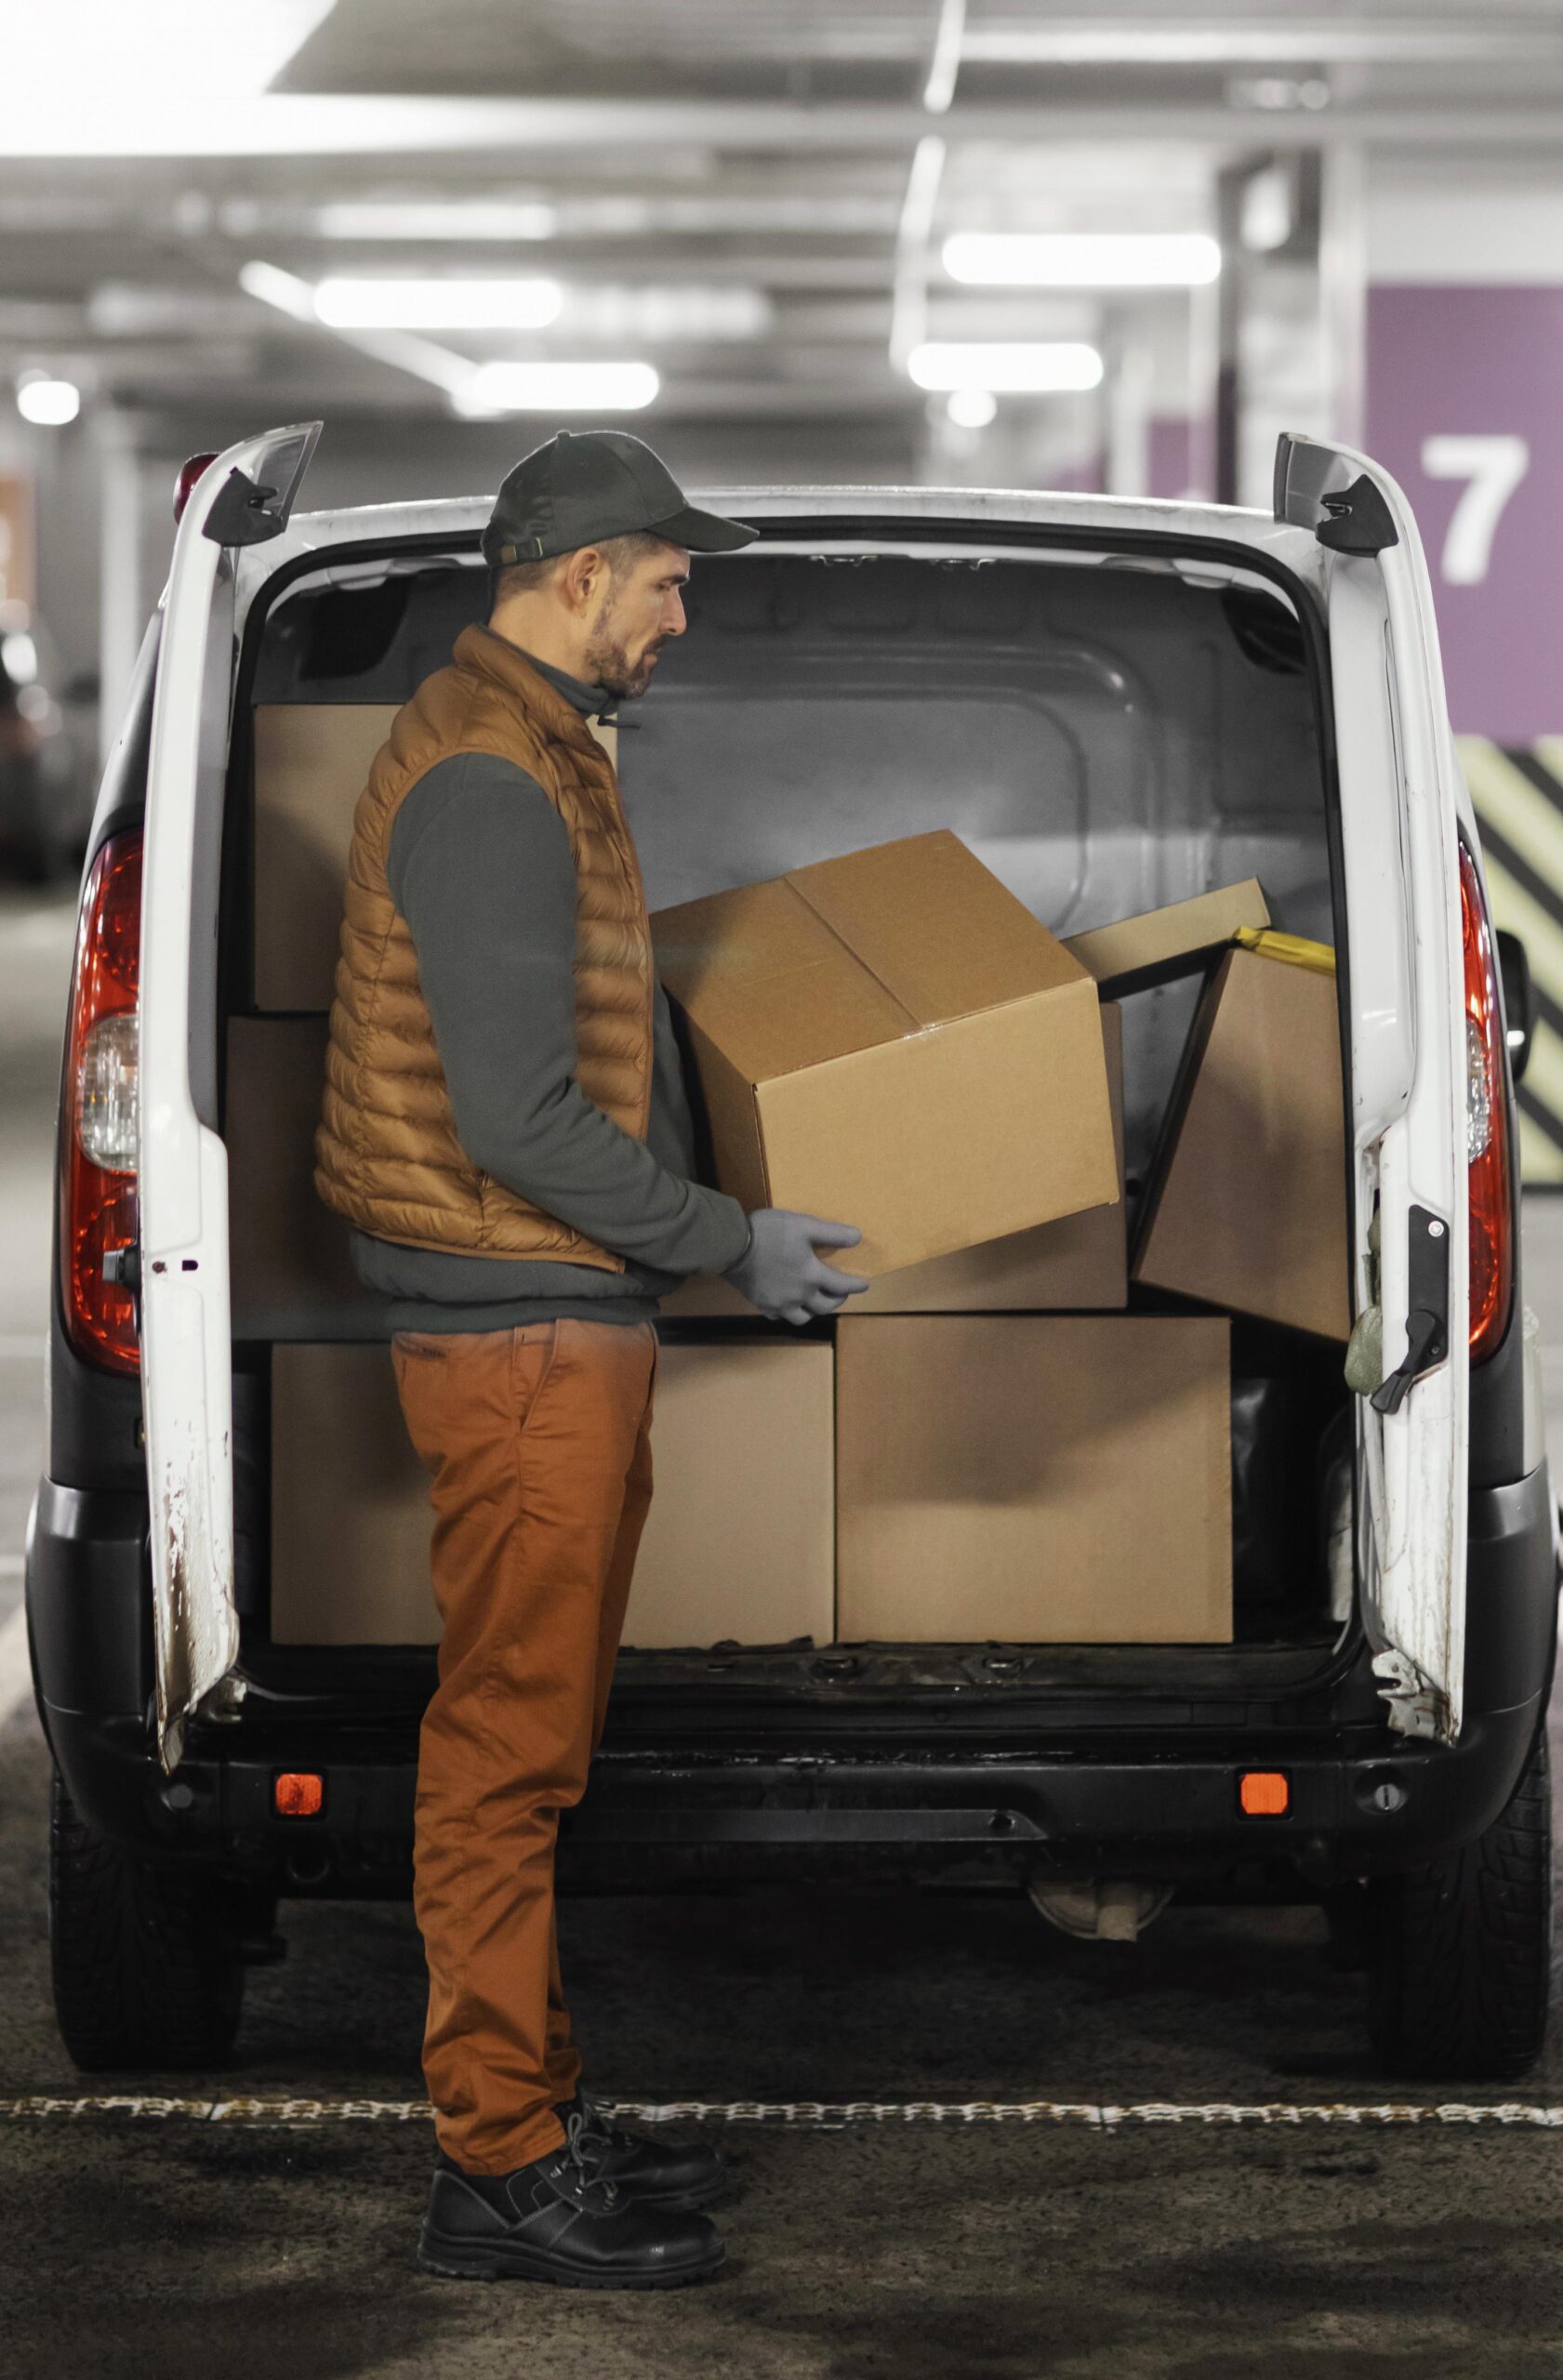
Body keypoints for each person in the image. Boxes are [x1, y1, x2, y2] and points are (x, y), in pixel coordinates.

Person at [315, 429, 867, 2289]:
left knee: (535, 1744)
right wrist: (734, 1242)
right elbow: (517, 1118)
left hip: (554, 1315)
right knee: (502, 1756)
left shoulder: (535, 745)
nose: (681, 611)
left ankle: (536, 2105)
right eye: (665, 578)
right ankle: (497, 2165)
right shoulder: (488, 779)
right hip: (519, 1327)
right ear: (576, 575)